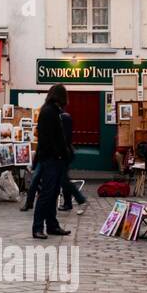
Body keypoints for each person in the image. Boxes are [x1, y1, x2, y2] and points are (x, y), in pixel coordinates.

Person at [32, 85, 72, 239]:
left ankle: (52, 225)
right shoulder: (49, 112)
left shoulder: (52, 111)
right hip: (51, 159)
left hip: (54, 158)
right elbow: (49, 138)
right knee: (47, 193)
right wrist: (59, 154)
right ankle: (38, 227)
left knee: (53, 192)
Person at [57, 106, 88, 213]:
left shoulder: (62, 118)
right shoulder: (66, 116)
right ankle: (68, 203)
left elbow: (63, 137)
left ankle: (81, 200)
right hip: (67, 151)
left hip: (64, 152)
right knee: (63, 179)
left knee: (64, 180)